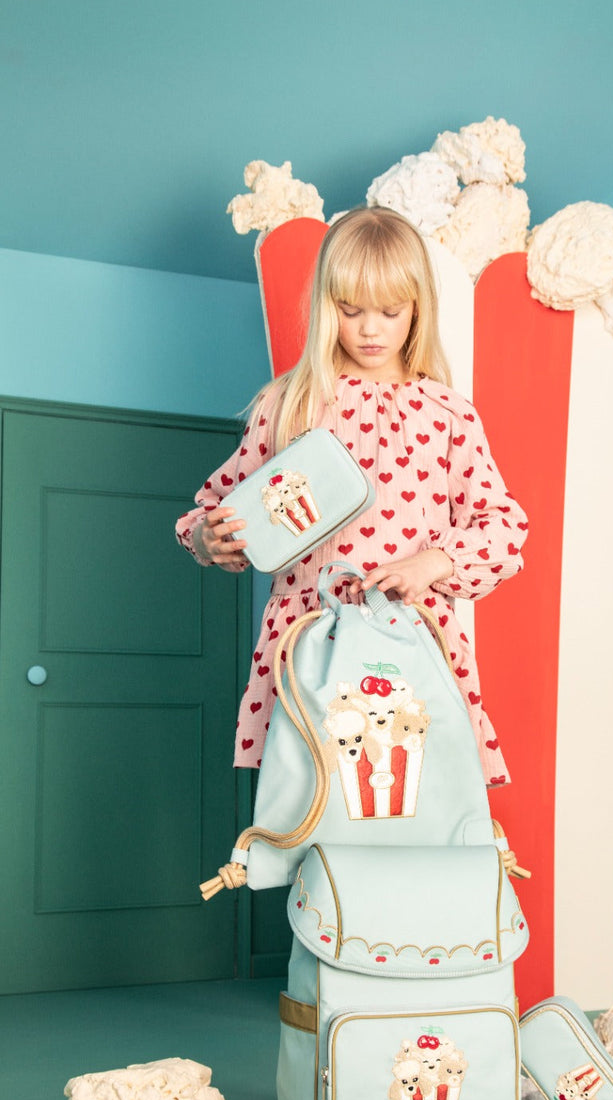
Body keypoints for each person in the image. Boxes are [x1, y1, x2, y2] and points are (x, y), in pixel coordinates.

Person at [176, 205, 528, 787]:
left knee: (413, 802)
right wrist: (208, 539)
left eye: (390, 311)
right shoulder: (288, 404)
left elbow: (504, 529)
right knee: (313, 809)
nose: (370, 329)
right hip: (307, 647)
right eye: (350, 309)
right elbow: (215, 510)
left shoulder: (448, 415)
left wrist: (432, 562)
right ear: (325, 305)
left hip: (413, 643)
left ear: (417, 308)